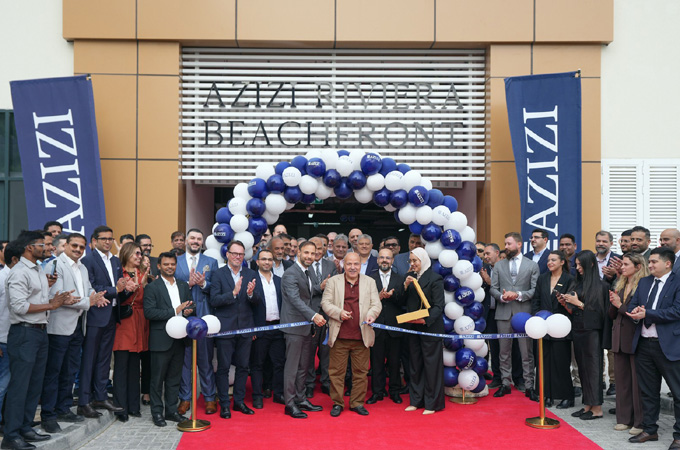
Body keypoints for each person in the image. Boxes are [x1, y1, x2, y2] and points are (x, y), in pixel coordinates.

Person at [2, 231, 74, 450]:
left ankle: (25, 428)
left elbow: (37, 300)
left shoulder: (38, 270)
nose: (48, 248)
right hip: (24, 334)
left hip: (40, 333)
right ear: (29, 247)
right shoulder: (19, 272)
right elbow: (19, 306)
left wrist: (55, 298)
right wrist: (52, 305)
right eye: (43, 244)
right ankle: (11, 436)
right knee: (19, 386)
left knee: (34, 385)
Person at [40, 234, 107, 433]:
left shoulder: (83, 268)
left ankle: (63, 408)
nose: (78, 249)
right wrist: (88, 301)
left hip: (78, 325)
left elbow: (88, 289)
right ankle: (48, 414)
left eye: (81, 247)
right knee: (54, 372)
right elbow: (60, 297)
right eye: (74, 246)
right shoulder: (55, 265)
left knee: (70, 370)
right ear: (66, 246)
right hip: (59, 327)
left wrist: (95, 296)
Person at [626, 247, 680, 447]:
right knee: (648, 392)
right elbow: (632, 305)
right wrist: (636, 312)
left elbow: (677, 311)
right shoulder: (644, 282)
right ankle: (650, 430)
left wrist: (647, 313)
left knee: (678, 393)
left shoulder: (677, 282)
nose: (649, 265)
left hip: (669, 346)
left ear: (667, 263)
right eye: (649, 262)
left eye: (654, 262)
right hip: (644, 344)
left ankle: (678, 436)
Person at [79, 226, 131, 418]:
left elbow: (118, 287)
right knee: (89, 359)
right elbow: (91, 286)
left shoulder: (115, 260)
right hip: (95, 315)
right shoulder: (88, 260)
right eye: (104, 239)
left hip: (112, 315)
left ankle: (100, 396)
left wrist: (126, 288)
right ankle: (84, 401)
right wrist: (115, 289)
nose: (108, 242)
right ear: (94, 241)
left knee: (104, 358)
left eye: (110, 238)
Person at [321, 253, 381, 417]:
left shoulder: (370, 282)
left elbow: (376, 304)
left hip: (362, 335)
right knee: (336, 373)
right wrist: (338, 313)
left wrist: (372, 315)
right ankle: (337, 403)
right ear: (343, 265)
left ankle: (357, 403)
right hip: (339, 335)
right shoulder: (334, 281)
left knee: (360, 373)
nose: (352, 267)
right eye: (349, 264)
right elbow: (325, 303)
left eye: (356, 264)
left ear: (360, 265)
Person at [209, 240, 260, 418]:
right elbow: (214, 300)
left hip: (245, 327)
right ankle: (224, 404)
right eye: (235, 253)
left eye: (241, 254)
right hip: (225, 328)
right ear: (227, 255)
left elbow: (258, 300)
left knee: (243, 367)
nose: (238, 257)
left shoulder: (251, 273)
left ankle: (239, 402)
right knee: (223, 367)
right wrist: (232, 294)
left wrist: (250, 294)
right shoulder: (218, 274)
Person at [143, 252, 193, 427]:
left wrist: (188, 310)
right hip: (160, 340)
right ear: (159, 266)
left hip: (180, 338)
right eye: (166, 264)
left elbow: (190, 304)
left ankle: (171, 411)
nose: (170, 267)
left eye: (172, 264)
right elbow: (149, 312)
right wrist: (174, 311)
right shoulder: (152, 287)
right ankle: (157, 413)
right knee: (157, 380)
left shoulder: (183, 285)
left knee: (174, 379)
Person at [490, 232, 540, 400]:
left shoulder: (532, 265)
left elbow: (534, 290)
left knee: (526, 352)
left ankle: (529, 386)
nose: (506, 246)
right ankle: (505, 383)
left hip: (523, 314)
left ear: (519, 244)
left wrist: (517, 295)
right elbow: (493, 288)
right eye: (505, 243)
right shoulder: (499, 265)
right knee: (503, 352)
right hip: (503, 313)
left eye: (509, 243)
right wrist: (502, 297)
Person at [280, 241, 327, 419]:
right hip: (294, 327)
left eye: (312, 253)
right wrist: (314, 316)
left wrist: (319, 288)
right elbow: (294, 299)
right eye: (306, 252)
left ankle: (301, 399)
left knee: (303, 367)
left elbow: (307, 292)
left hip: (306, 326)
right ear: (298, 252)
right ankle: (290, 403)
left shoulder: (308, 272)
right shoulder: (290, 273)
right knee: (292, 368)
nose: (309, 256)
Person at [560, 250, 608, 420]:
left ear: (591, 264)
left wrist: (578, 303)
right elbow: (573, 310)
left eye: (581, 264)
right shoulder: (577, 283)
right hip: (578, 329)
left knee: (593, 368)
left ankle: (597, 408)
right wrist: (566, 303)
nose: (578, 267)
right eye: (577, 264)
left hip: (592, 332)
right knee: (583, 369)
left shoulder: (601, 286)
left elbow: (599, 314)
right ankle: (588, 405)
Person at [175, 229, 218, 416]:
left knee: (205, 359)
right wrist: (188, 284)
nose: (195, 241)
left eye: (199, 239)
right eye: (192, 238)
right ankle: (185, 398)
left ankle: (209, 397)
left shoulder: (211, 262)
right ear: (186, 240)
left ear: (202, 242)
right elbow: (172, 286)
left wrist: (203, 284)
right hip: (182, 318)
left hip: (204, 317)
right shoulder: (176, 261)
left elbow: (216, 288)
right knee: (185, 361)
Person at [608, 252, 648, 435]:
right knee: (622, 381)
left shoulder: (644, 286)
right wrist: (613, 303)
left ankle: (639, 422)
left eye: (626, 264)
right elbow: (612, 314)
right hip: (618, 337)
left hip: (635, 337)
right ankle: (624, 419)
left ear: (638, 266)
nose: (621, 267)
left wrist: (619, 305)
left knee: (637, 382)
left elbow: (636, 315)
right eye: (622, 264)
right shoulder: (620, 284)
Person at [403, 247, 446, 414]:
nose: (412, 264)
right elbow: (402, 301)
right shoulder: (410, 278)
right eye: (411, 261)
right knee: (415, 366)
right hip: (413, 328)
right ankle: (416, 400)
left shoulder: (435, 278)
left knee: (431, 367)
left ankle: (432, 404)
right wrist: (405, 286)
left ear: (423, 260)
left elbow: (438, 306)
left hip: (430, 328)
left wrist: (425, 320)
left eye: (415, 260)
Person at [531, 250, 575, 408]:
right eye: (548, 260)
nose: (550, 262)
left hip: (561, 326)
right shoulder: (543, 278)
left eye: (553, 260)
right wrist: (537, 318)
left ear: (562, 262)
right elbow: (536, 300)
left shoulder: (569, 279)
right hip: (543, 326)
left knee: (561, 362)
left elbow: (571, 303)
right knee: (544, 362)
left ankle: (566, 396)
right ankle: (546, 394)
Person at [111, 243, 150, 422]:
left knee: (135, 366)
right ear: (127, 254)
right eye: (136, 253)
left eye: (140, 254)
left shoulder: (143, 274)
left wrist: (145, 284)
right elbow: (116, 299)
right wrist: (127, 290)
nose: (139, 256)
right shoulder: (119, 274)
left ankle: (134, 406)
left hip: (140, 321)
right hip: (125, 322)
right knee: (121, 366)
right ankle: (121, 407)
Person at [368, 248, 405, 404]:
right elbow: (365, 302)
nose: (384, 260)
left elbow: (403, 302)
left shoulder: (400, 279)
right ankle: (377, 392)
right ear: (377, 260)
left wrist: (392, 296)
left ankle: (395, 391)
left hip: (394, 327)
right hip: (375, 327)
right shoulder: (369, 279)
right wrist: (379, 297)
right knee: (376, 362)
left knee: (394, 362)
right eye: (382, 257)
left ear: (392, 261)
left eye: (387, 258)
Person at [250, 249, 286, 408]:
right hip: (260, 328)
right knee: (257, 364)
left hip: (278, 327)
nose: (267, 262)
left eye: (270, 259)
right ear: (257, 262)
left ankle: (278, 394)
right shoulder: (251, 280)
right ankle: (257, 396)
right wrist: (252, 328)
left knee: (279, 363)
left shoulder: (279, 280)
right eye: (263, 259)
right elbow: (247, 306)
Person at [305, 236, 337, 398]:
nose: (317, 251)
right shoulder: (304, 266)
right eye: (314, 248)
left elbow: (335, 287)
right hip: (310, 315)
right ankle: (309, 384)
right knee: (309, 352)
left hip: (327, 315)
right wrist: (320, 287)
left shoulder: (331, 265)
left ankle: (326, 382)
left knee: (326, 351)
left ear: (325, 249)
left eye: (320, 248)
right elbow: (303, 289)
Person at [0, 242, 22, 438]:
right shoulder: (2, 278)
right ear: (15, 260)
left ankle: (7, 422)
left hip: (15, 339)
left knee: (11, 385)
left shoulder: (16, 277)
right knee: (3, 385)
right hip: (3, 339)